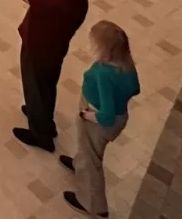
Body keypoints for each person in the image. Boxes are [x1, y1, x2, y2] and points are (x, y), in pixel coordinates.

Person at [13, 0, 90, 153]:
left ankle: (41, 135)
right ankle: (44, 120)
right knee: (46, 88)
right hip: (54, 52)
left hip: (37, 51)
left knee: (34, 87)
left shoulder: (51, 4)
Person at [62, 22, 140, 217]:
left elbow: (106, 117)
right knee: (88, 150)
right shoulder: (127, 66)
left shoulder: (103, 73)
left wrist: (86, 114)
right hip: (120, 116)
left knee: (92, 160)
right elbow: (135, 89)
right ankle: (79, 164)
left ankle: (93, 205)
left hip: (97, 121)